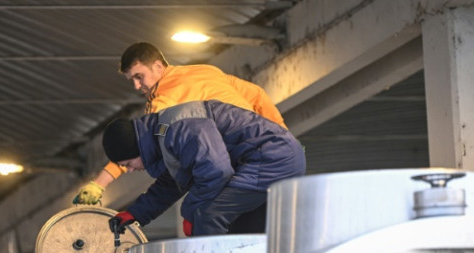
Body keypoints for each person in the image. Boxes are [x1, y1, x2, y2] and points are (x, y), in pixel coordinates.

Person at [73, 42, 288, 205]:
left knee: (200, 214)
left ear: (158, 66)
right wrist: (283, 136)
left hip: (238, 164)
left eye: (140, 77)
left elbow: (135, 146)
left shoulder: (164, 102)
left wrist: (99, 183)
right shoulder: (205, 70)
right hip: (269, 153)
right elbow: (257, 95)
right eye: (132, 80)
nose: (137, 86)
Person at [102, 100, 305, 237]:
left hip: (271, 158)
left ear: (139, 148)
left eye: (127, 164)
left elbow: (216, 171)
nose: (129, 170)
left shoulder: (177, 128)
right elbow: (173, 183)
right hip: (268, 159)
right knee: (241, 229)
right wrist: (135, 213)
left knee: (208, 214)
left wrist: (190, 213)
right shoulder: (162, 136)